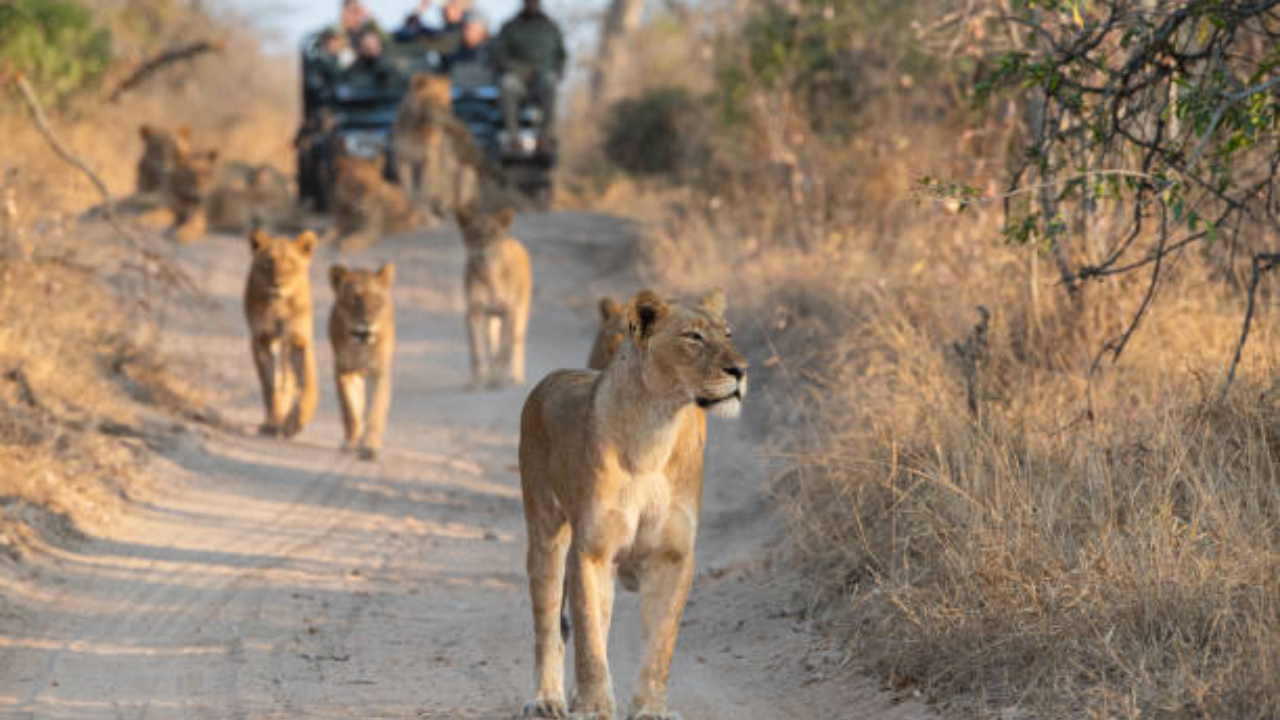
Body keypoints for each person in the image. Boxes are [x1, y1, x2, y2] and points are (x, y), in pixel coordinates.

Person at [493, 0, 566, 151]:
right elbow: (500, 55)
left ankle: (545, 138)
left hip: (543, 77)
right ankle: (513, 138)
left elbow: (561, 55)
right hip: (518, 78)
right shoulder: (510, 26)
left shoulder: (550, 27)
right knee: (507, 84)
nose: (532, 4)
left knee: (550, 82)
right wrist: (518, 70)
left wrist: (558, 70)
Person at [394, 0, 470, 46]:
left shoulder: (462, 33)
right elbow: (404, 34)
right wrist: (419, 11)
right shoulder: (446, 31)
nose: (445, 10)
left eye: (452, 6)